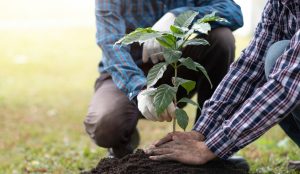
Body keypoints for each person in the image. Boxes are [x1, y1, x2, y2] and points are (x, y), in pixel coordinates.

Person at [146, 0, 300, 167]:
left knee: (277, 57)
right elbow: (249, 67)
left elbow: (287, 82)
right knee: (274, 55)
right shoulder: (278, 5)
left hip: (290, 80)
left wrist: (211, 147)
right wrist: (202, 132)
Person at [84, 0, 243, 158]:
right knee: (106, 125)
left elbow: (233, 12)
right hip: (125, 72)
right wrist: (140, 89)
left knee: (222, 38)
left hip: (175, 69)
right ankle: (123, 138)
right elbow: (111, 44)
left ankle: (209, 139)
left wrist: (177, 16)